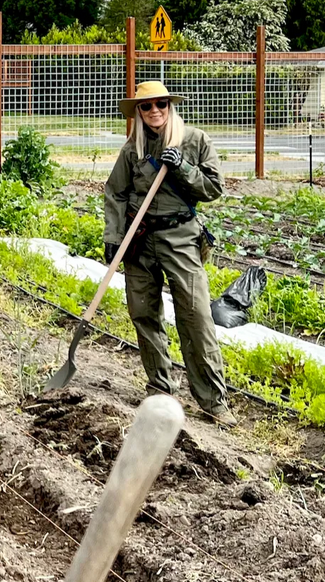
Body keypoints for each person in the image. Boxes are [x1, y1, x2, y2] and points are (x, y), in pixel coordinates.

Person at [105, 81, 236, 427]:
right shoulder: (132, 150)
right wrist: (113, 235)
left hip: (181, 237)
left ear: (169, 105)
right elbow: (116, 192)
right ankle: (160, 388)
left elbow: (213, 188)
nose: (154, 112)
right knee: (144, 313)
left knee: (195, 316)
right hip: (140, 238)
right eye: (146, 107)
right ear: (138, 112)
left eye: (160, 104)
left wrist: (183, 167)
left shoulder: (194, 141)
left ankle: (212, 399)